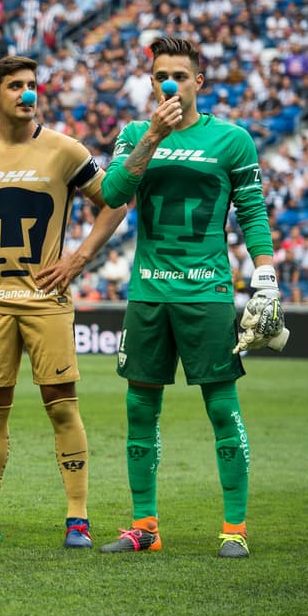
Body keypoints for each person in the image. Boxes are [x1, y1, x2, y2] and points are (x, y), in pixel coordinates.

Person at [98, 36, 284, 558]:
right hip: (148, 290)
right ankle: (145, 527)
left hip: (207, 290)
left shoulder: (232, 140)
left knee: (222, 408)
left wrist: (265, 275)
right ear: (151, 81)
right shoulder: (136, 133)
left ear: (199, 81)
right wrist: (153, 137)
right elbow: (112, 195)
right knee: (139, 408)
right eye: (161, 75)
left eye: (180, 75)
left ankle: (234, 529)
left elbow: (251, 211)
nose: (170, 84)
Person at [0, 56, 128, 548]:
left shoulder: (66, 151)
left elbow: (115, 202)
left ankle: (77, 520)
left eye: (32, 85)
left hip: (47, 300)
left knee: (61, 407)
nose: (27, 93)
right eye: (16, 86)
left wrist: (79, 259)